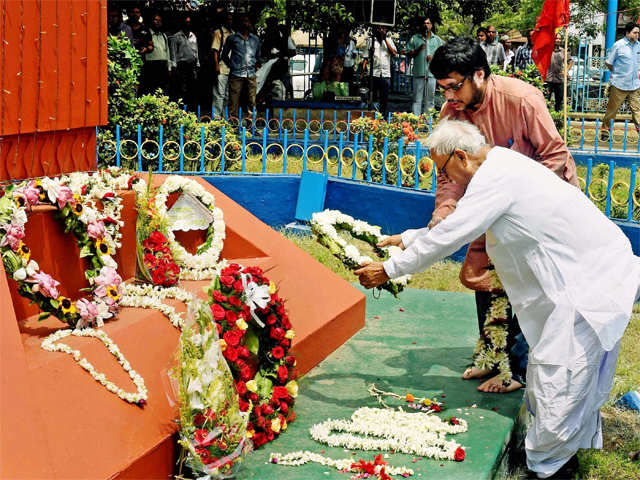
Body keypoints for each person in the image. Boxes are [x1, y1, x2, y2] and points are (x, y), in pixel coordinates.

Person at [355, 118, 640, 480]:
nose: (446, 181)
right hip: (579, 280)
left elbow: (456, 233)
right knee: (558, 377)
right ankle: (557, 460)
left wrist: (389, 269)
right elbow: (462, 221)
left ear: (459, 156)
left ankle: (550, 471)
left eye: (442, 171)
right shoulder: (499, 165)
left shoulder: (496, 177)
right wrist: (407, 239)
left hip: (588, 284)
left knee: (559, 378)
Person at [426, 36, 579, 393]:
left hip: (539, 208)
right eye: (443, 89)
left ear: (479, 74)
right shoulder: (453, 112)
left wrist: (521, 203)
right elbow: (449, 172)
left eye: (454, 86)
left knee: (527, 285)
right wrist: (445, 211)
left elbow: (554, 156)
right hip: (489, 208)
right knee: (485, 278)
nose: (448, 97)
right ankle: (493, 357)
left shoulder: (522, 99)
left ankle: (520, 370)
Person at [602, 22, 640, 139]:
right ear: (627, 33)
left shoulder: (639, 45)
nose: (637, 35)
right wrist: (618, 72)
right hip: (619, 84)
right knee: (612, 111)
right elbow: (608, 62)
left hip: (634, 85)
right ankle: (605, 133)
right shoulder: (618, 45)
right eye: (635, 32)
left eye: (638, 33)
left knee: (637, 111)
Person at [221, 13, 261, 118]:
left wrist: (254, 66)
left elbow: (257, 56)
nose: (245, 23)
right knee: (233, 101)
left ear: (250, 23)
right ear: (239, 23)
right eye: (243, 21)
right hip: (236, 74)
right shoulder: (232, 38)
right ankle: (233, 126)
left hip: (251, 73)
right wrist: (232, 66)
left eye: (247, 21)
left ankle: (251, 126)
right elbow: (224, 55)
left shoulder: (255, 39)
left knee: (252, 101)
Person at [406, 17, 443, 115]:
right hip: (418, 73)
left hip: (431, 74)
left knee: (430, 100)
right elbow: (408, 53)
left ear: (431, 25)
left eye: (428, 23)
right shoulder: (415, 38)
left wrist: (433, 58)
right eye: (424, 23)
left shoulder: (437, 40)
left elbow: (443, 56)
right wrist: (418, 49)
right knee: (417, 100)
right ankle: (416, 121)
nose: (426, 25)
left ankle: (427, 122)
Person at [361, 26, 397, 118]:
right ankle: (371, 116)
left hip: (385, 74)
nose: (382, 31)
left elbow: (393, 53)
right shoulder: (371, 41)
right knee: (372, 97)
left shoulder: (389, 40)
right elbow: (365, 57)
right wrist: (362, 72)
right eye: (380, 29)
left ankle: (382, 117)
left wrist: (385, 40)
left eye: (384, 29)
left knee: (384, 98)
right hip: (374, 73)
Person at [169, 15, 200, 111]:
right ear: (182, 24)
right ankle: (181, 110)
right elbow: (173, 52)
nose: (188, 24)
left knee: (192, 89)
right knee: (181, 89)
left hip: (192, 65)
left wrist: (198, 63)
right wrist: (174, 66)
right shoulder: (176, 36)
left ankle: (191, 111)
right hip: (181, 66)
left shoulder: (193, 36)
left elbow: (196, 51)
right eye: (186, 22)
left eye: (189, 22)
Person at [140, 13, 171, 96]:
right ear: (151, 21)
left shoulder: (164, 35)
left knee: (162, 91)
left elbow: (167, 51)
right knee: (151, 90)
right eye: (155, 20)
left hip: (163, 66)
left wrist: (169, 67)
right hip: (151, 66)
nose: (158, 22)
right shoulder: (146, 34)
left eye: (159, 20)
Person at [211, 10, 234, 117]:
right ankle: (216, 117)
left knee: (227, 95)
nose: (230, 21)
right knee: (219, 93)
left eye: (231, 19)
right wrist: (216, 65)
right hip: (221, 66)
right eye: (228, 19)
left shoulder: (233, 34)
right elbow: (215, 50)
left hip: (231, 67)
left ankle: (224, 118)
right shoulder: (218, 32)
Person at [546, 33, 573, 112]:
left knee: (559, 102)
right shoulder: (547, 50)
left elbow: (570, 61)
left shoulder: (563, 51)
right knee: (545, 100)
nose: (558, 40)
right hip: (548, 79)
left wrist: (566, 71)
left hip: (559, 80)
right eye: (556, 38)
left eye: (559, 39)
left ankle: (558, 119)